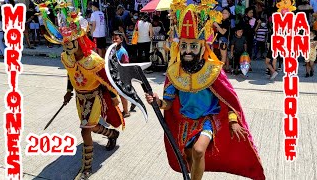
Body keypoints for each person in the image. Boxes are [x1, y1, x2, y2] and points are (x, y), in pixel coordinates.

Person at [145, 3, 264, 180]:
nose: (187, 51)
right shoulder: (174, 72)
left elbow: (228, 99)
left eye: (193, 46)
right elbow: (168, 104)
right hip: (185, 122)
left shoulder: (213, 71)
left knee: (198, 151)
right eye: (184, 45)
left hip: (207, 121)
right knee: (188, 155)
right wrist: (158, 101)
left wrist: (233, 121)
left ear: (203, 47)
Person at [41, 7, 125, 180]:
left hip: (94, 97)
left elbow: (108, 81)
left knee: (85, 131)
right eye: (63, 43)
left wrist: (114, 97)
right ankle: (112, 134)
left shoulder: (94, 61)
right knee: (91, 126)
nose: (65, 47)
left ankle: (86, 169)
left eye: (68, 42)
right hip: (79, 98)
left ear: (79, 40)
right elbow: (70, 73)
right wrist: (68, 91)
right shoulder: (66, 57)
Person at [112, 31, 131, 117]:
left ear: (121, 40)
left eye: (116, 39)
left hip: (121, 76)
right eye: (113, 39)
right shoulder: (112, 50)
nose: (114, 40)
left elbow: (125, 65)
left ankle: (126, 112)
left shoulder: (123, 52)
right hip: (113, 76)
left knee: (122, 95)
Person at [213, 7, 231, 72]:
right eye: (223, 13)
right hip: (222, 39)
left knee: (223, 55)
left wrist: (216, 25)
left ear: (229, 14)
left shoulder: (227, 22)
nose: (224, 14)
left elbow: (223, 32)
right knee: (225, 55)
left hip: (223, 40)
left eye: (225, 13)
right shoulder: (222, 21)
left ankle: (220, 70)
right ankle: (227, 67)